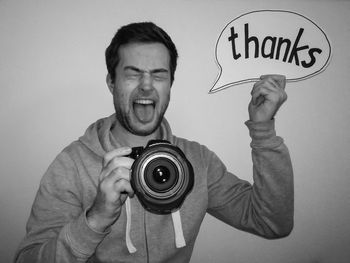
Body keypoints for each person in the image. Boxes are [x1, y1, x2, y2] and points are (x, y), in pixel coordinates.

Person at [15, 22, 293, 263]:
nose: (147, 85)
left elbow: (271, 222)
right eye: (133, 73)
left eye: (159, 74)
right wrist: (95, 219)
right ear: (112, 82)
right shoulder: (72, 165)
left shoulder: (198, 161)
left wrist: (263, 128)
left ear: (170, 83)